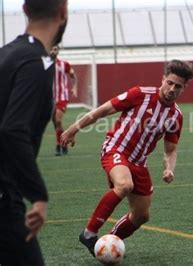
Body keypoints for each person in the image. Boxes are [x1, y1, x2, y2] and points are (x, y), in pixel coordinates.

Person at [60, 60, 193, 257]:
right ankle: (89, 234)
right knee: (124, 185)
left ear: (184, 88)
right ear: (163, 79)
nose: (172, 89)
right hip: (115, 149)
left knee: (141, 215)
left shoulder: (176, 116)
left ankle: (109, 243)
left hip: (139, 162)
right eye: (170, 83)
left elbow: (170, 150)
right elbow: (103, 110)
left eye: (178, 86)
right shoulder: (140, 94)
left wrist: (169, 168)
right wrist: (73, 129)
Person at [0, 0, 69, 265]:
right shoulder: (37, 63)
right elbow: (12, 129)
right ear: (63, 13)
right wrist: (38, 195)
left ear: (25, 10)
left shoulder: (6, 53)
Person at [50, 45, 78, 156]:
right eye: (51, 49)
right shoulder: (44, 64)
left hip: (62, 97)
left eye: (55, 49)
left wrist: (74, 87)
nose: (53, 51)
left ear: (58, 51)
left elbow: (73, 76)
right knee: (55, 123)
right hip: (50, 98)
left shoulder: (64, 65)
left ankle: (60, 144)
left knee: (58, 120)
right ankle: (62, 144)